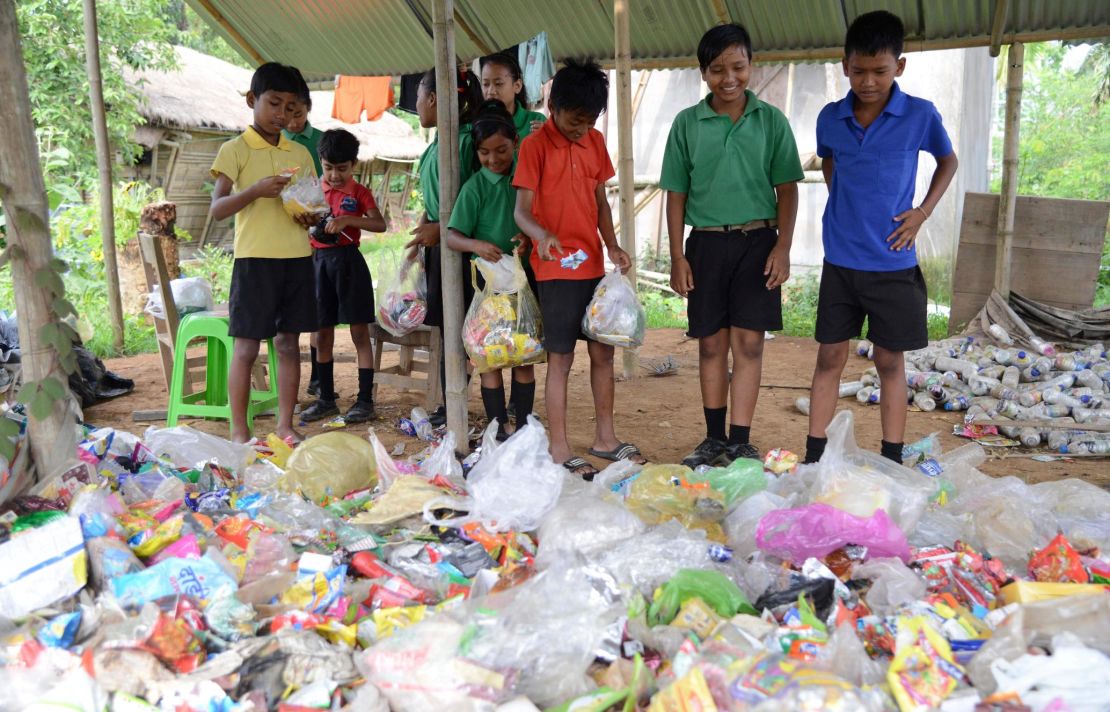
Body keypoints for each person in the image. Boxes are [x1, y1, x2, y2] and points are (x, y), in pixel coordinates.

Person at [804, 10, 958, 465]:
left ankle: (891, 459)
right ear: (844, 65)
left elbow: (947, 161)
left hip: (893, 263)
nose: (868, 82)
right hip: (841, 261)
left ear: (900, 67)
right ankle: (815, 457)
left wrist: (922, 213)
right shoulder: (830, 118)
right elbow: (830, 161)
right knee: (829, 357)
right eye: (858, 71)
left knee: (890, 362)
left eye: (880, 71)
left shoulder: (919, 115)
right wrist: (846, 205)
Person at [661, 24, 803, 469]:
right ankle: (712, 438)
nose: (729, 78)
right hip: (705, 245)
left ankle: (740, 440)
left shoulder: (771, 121)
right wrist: (678, 256)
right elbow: (676, 195)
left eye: (738, 67)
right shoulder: (687, 123)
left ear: (750, 66)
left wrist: (782, 247)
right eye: (717, 69)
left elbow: (788, 189)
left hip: (759, 243)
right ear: (703, 72)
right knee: (709, 345)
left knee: (750, 344)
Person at [513, 58, 646, 479]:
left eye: (589, 121)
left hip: (591, 265)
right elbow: (520, 211)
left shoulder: (596, 142)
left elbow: (600, 201)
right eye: (575, 119)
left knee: (603, 353)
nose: (581, 128)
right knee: (561, 360)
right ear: (554, 105)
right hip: (554, 270)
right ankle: (559, 448)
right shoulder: (534, 146)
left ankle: (605, 439)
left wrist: (613, 244)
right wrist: (541, 236)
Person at [209, 62, 318, 443]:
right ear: (253, 100)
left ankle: (286, 426)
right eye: (274, 104)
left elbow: (311, 204)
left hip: (297, 259)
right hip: (254, 261)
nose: (282, 115)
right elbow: (218, 208)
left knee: (290, 344)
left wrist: (310, 218)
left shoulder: (300, 153)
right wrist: (254, 190)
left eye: (291, 108)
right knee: (246, 348)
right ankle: (240, 432)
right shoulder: (234, 149)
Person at [446, 101, 537, 441]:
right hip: (487, 291)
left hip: (521, 287)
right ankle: (498, 429)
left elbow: (536, 220)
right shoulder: (475, 188)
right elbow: (452, 236)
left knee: (524, 355)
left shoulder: (523, 181)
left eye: (501, 150)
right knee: (490, 358)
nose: (493, 159)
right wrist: (477, 245)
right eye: (485, 152)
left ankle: (525, 425)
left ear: (516, 142)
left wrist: (528, 237)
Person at [404, 67, 483, 426]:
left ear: (433, 98)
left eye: (419, 96)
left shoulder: (465, 141)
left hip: (463, 248)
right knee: (446, 326)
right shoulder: (439, 141)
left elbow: (471, 199)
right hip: (439, 245)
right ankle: (450, 404)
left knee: (463, 327)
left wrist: (441, 227)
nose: (417, 104)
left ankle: (457, 404)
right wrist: (425, 224)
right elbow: (437, 197)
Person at [299, 129, 387, 425]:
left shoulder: (360, 193)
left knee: (360, 333)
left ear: (354, 165)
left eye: (342, 168)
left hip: (350, 264)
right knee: (322, 333)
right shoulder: (312, 190)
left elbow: (380, 224)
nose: (335, 175)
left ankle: (365, 401)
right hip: (319, 265)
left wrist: (349, 219)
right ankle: (326, 399)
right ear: (320, 162)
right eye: (328, 168)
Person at [281, 83, 325, 397]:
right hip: (283, 231)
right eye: (288, 114)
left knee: (314, 302)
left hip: (317, 227)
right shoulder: (278, 141)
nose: (294, 121)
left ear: (308, 108)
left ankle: (319, 374)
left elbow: (329, 185)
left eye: (298, 113)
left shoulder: (319, 141)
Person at [479, 52, 545, 140]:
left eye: (498, 84)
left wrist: (547, 139)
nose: (490, 91)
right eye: (485, 84)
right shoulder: (477, 125)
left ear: (517, 86)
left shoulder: (537, 122)